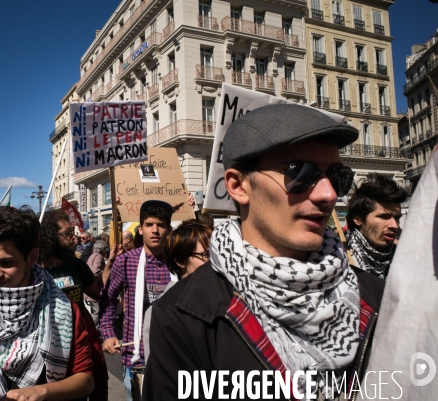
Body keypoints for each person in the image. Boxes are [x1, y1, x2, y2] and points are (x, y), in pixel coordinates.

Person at [142, 104, 386, 400]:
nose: (329, 194)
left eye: (337, 177)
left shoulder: (377, 297)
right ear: (238, 186)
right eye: (301, 172)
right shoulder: (184, 316)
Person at [0, 206, 94, 401]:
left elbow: (86, 379)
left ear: (31, 257)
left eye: (6, 263)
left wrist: (42, 391)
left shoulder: (64, 309)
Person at [100, 200, 174, 401]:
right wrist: (107, 333)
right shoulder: (127, 260)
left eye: (161, 225)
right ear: (140, 229)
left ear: (169, 229)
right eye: (149, 225)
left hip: (172, 354)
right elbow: (107, 297)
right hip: (136, 355)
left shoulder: (178, 260)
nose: (155, 230)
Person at [39, 209, 108, 401]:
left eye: (73, 232)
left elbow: (96, 293)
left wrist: (110, 268)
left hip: (81, 340)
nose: (73, 238)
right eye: (67, 233)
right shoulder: (35, 268)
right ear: (50, 236)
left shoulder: (77, 265)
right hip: (52, 344)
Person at [143, 220, 213, 363]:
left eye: (217, 254)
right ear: (181, 261)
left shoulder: (230, 300)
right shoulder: (162, 312)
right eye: (206, 255)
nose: (214, 262)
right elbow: (160, 374)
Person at [345, 174, 407, 279]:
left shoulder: (403, 258)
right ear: (358, 219)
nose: (395, 225)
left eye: (397, 217)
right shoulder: (340, 259)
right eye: (384, 216)